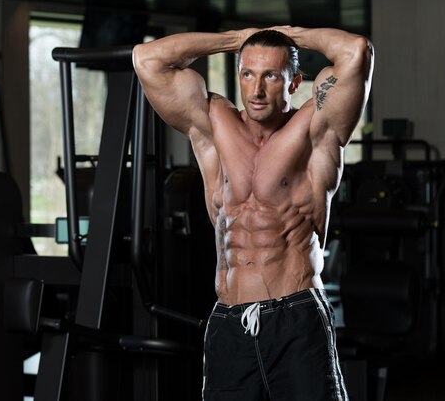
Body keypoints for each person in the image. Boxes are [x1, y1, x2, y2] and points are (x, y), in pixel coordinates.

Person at [133, 26, 374, 401]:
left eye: (271, 76)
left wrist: (288, 35)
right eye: (247, 74)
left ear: (294, 82)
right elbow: (147, 60)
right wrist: (236, 39)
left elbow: (355, 51)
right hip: (229, 321)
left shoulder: (315, 129)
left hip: (295, 316)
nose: (256, 90)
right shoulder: (214, 125)